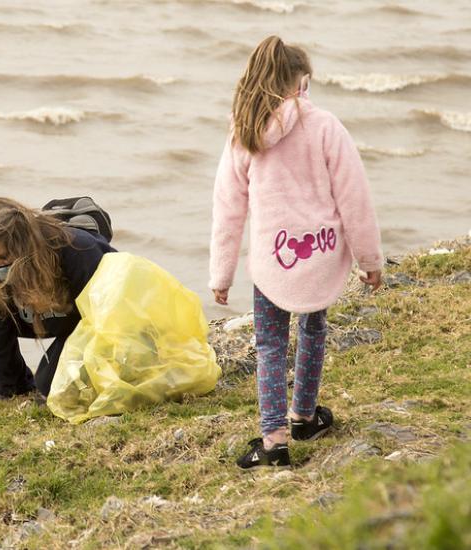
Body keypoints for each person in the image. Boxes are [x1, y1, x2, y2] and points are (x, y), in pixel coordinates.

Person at [208, 36, 383, 469]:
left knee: (269, 345)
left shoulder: (244, 132)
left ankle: (274, 442)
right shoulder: (325, 126)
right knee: (314, 329)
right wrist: (370, 259)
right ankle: (304, 415)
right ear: (299, 81)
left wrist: (221, 274)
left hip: (274, 261)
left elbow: (228, 210)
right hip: (320, 255)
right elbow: (354, 197)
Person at [0, 197, 115, 428]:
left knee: (49, 386)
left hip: (85, 321)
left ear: (24, 248)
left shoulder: (79, 250)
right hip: (43, 318)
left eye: (4, 257)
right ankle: (14, 385)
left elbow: (112, 313)